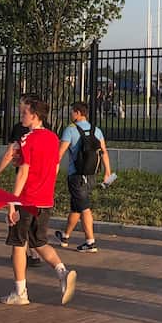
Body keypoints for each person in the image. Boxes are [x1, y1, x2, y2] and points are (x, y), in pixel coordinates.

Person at [2, 98, 76, 306]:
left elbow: (23, 172)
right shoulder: (53, 138)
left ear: (34, 115)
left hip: (27, 200)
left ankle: (20, 292)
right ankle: (62, 272)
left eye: (23, 112)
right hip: (44, 200)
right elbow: (54, 167)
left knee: (18, 244)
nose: (21, 116)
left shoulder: (27, 139)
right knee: (39, 241)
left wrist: (12, 202)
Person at [0, 95, 44, 269]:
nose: (21, 114)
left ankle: (23, 255)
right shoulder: (47, 131)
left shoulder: (22, 130)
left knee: (20, 220)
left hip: (25, 183)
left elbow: (10, 153)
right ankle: (34, 253)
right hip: (41, 184)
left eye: (23, 110)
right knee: (32, 220)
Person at [55, 102, 111, 253]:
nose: (71, 114)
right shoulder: (96, 130)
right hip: (91, 175)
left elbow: (59, 153)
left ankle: (90, 242)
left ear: (78, 113)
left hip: (76, 176)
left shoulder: (70, 130)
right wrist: (107, 172)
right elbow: (104, 152)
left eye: (72, 112)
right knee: (76, 207)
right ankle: (65, 236)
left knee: (84, 208)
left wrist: (53, 169)